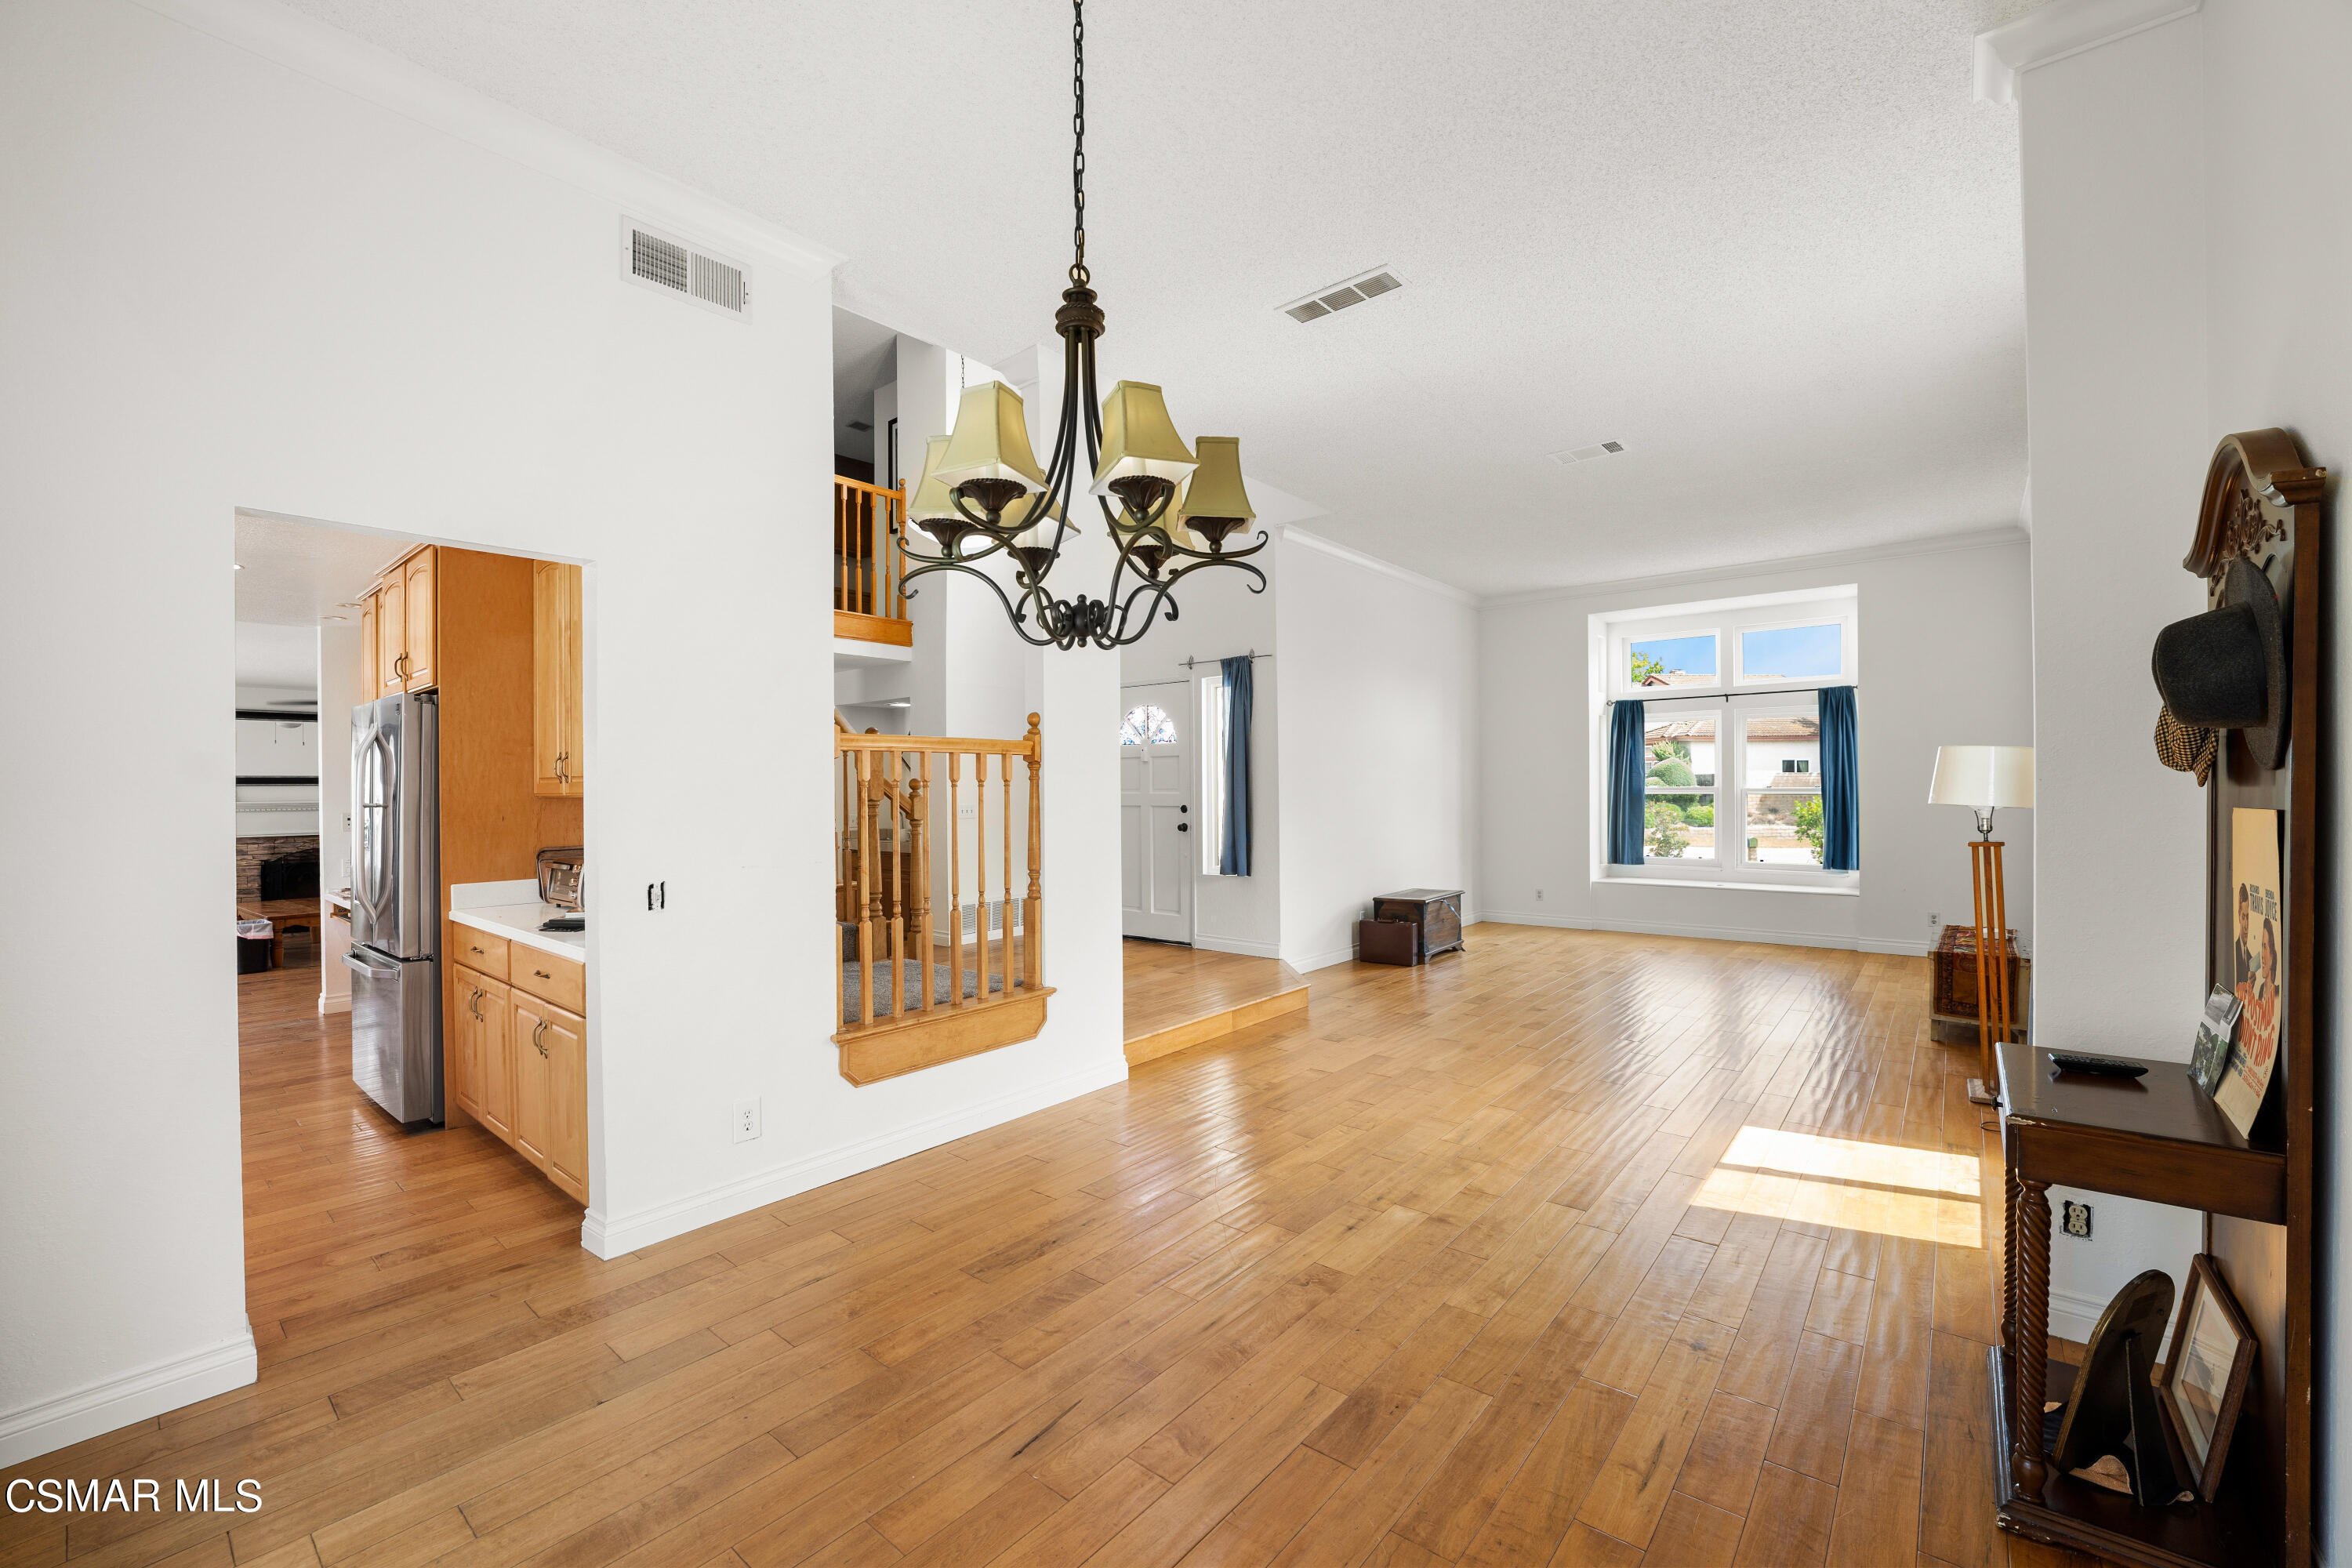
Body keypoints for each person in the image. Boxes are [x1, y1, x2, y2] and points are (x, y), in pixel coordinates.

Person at [2233, 886, 2256, 989]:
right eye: (2243, 917)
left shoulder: (2251, 958)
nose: (2246, 926)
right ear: (2239, 916)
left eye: (2248, 917)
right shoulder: (2233, 951)